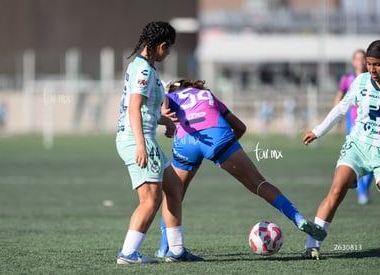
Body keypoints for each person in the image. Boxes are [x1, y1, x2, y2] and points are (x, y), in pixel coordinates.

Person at [154, 79, 327, 257]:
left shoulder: (170, 96)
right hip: (217, 136)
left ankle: (165, 248)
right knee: (259, 184)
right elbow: (240, 127)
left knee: (174, 194)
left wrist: (167, 122)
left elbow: (151, 111)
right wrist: (226, 149)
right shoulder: (207, 95)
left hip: (186, 141)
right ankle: (297, 218)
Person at [115, 21, 202, 264]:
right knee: (151, 200)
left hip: (141, 137)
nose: (169, 53)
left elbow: (144, 109)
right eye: (169, 48)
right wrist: (141, 145)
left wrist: (165, 121)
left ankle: (175, 251)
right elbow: (134, 109)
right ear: (162, 45)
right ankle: (128, 253)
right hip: (138, 140)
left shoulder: (141, 67)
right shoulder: (143, 71)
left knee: (174, 189)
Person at [302, 40, 380, 259]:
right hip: (358, 146)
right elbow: (342, 108)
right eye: (369, 64)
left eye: (377, 65)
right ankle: (311, 245)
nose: (372, 69)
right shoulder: (361, 81)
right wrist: (318, 131)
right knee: (337, 189)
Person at [334, 49, 373, 205]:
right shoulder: (347, 79)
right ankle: (362, 192)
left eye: (363, 59)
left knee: (371, 160)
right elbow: (339, 98)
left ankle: (362, 186)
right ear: (353, 61)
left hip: (371, 125)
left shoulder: (373, 78)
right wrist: (336, 117)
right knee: (356, 157)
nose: (361, 62)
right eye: (358, 59)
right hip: (353, 124)